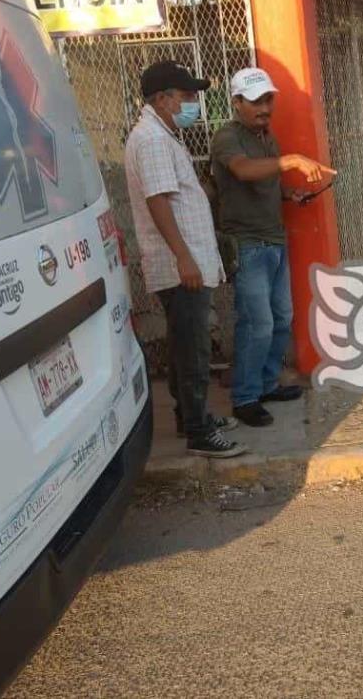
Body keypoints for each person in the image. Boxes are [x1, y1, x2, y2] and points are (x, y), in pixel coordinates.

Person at [125, 60, 244, 458]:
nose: (193, 102)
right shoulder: (154, 140)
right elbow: (157, 201)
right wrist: (184, 259)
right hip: (180, 266)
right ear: (162, 99)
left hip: (183, 262)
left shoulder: (161, 134)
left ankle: (191, 418)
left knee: (183, 345)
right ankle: (198, 432)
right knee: (192, 350)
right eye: (187, 96)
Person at [211, 68, 335, 427]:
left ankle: (265, 384)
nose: (264, 108)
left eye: (268, 100)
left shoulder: (268, 138)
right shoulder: (227, 138)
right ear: (236, 103)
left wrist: (287, 192)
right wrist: (291, 161)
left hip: (274, 239)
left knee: (281, 318)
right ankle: (245, 397)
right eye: (255, 102)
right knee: (258, 323)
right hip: (247, 243)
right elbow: (244, 171)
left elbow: (266, 181)